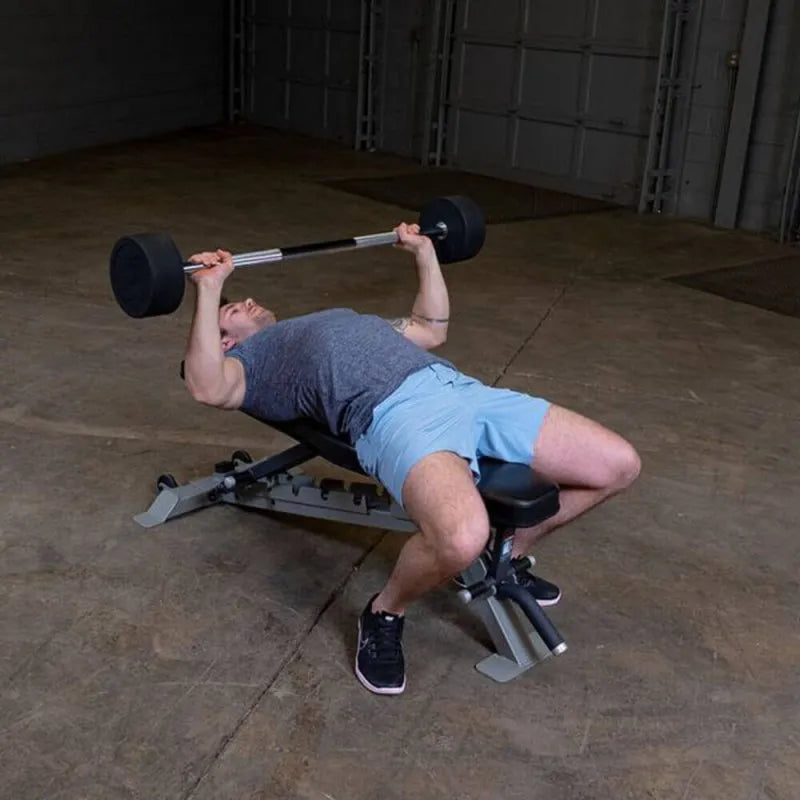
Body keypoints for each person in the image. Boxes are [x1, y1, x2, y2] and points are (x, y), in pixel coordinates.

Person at [183, 222, 641, 695]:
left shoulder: (333, 320)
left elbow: (430, 330)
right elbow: (205, 385)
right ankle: (385, 612)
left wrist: (424, 253)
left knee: (618, 464)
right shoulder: (257, 364)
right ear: (224, 343)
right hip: (396, 418)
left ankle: (507, 555)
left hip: (465, 392)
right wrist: (210, 288)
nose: (249, 302)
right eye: (234, 310)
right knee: (461, 537)